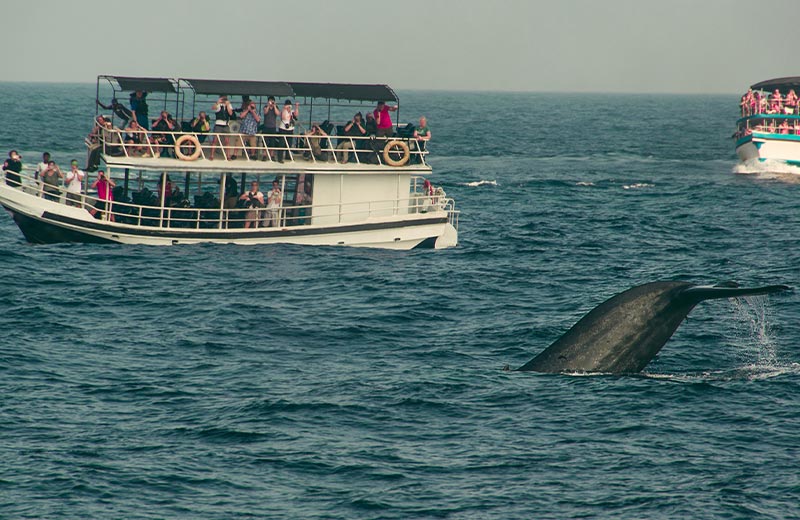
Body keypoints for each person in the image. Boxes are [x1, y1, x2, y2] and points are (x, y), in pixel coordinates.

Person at [261, 96, 280, 160]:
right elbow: (265, 112)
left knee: (272, 142)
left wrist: (274, 106)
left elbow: (277, 113)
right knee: (265, 142)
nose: (271, 102)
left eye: (272, 101)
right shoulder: (265, 107)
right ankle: (264, 155)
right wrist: (268, 106)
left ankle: (272, 155)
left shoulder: (276, 107)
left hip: (273, 127)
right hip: (266, 127)